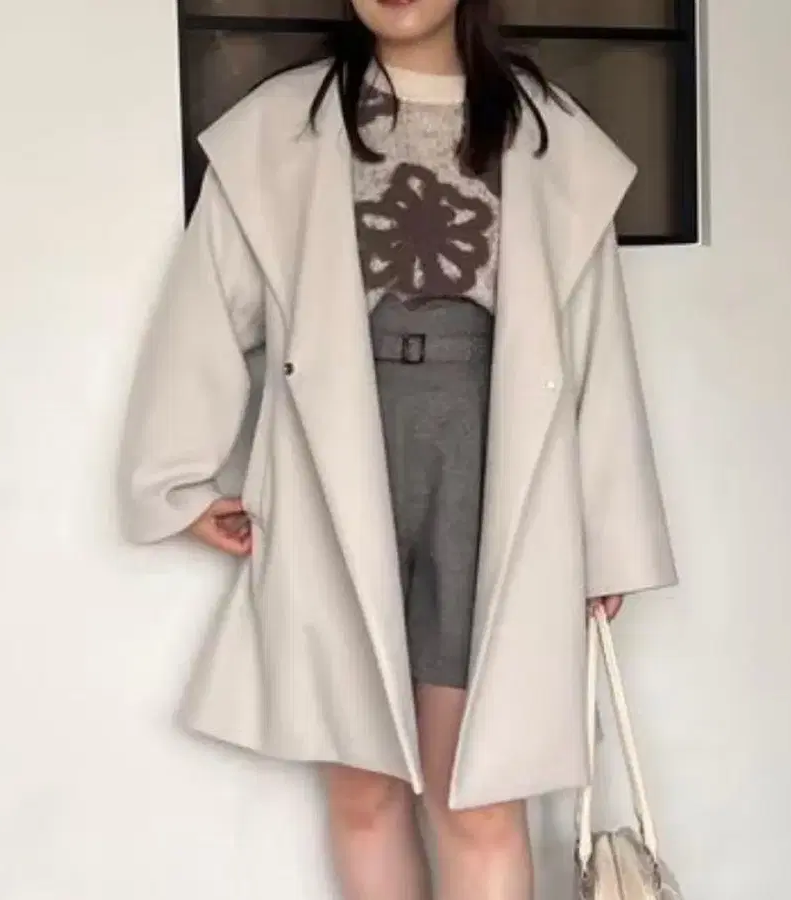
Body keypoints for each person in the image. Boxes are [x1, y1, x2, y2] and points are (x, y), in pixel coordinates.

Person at [119, 1, 677, 897]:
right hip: (336, 458)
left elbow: (593, 342)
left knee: (477, 797)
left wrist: (609, 538)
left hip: (499, 466)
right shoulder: (289, 122)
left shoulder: (544, 130)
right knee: (365, 787)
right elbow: (209, 305)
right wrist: (179, 481)